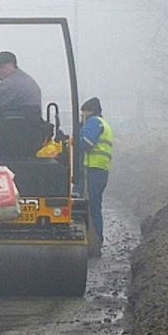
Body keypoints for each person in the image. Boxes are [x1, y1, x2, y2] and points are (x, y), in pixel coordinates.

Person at [78, 96, 112, 256]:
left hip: (93, 169)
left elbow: (86, 142)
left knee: (90, 206)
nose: (82, 117)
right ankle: (95, 242)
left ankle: (94, 242)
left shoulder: (94, 123)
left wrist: (75, 138)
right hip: (100, 170)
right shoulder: (103, 124)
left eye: (82, 113)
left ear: (89, 111)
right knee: (95, 206)